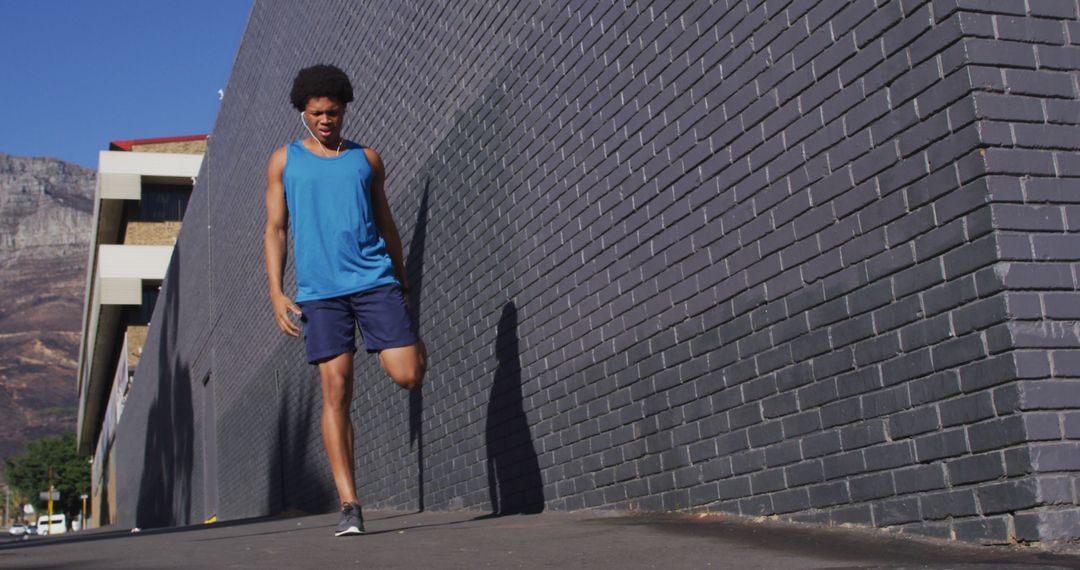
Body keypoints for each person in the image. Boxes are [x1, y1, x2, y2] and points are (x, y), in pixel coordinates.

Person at [264, 64, 426, 537]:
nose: (325, 120)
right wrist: (275, 290)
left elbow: (387, 223)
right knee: (336, 390)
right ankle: (350, 503)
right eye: (316, 114)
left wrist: (401, 278)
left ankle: (414, 344)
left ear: (345, 109)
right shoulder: (284, 161)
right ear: (303, 113)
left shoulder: (366, 160)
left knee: (408, 374)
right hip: (320, 295)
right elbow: (275, 229)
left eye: (332, 112)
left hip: (375, 282)